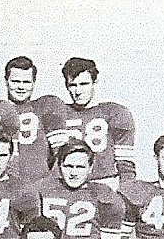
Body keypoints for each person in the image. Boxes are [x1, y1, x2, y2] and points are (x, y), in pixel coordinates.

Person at [24, 140, 125, 239]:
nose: (74, 173)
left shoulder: (104, 195)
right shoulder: (41, 189)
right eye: (68, 166)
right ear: (59, 166)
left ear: (90, 168)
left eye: (80, 167)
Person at [53, 57, 136, 186]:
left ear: (95, 82)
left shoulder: (115, 112)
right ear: (66, 86)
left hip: (104, 184)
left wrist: (126, 191)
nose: (78, 91)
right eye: (73, 85)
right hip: (67, 187)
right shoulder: (57, 113)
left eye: (84, 84)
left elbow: (125, 165)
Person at [2, 56, 67, 181]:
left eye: (26, 82)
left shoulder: (44, 107)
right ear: (6, 81)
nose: (21, 87)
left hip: (38, 184)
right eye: (15, 81)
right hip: (5, 185)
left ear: (34, 82)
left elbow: (61, 155)